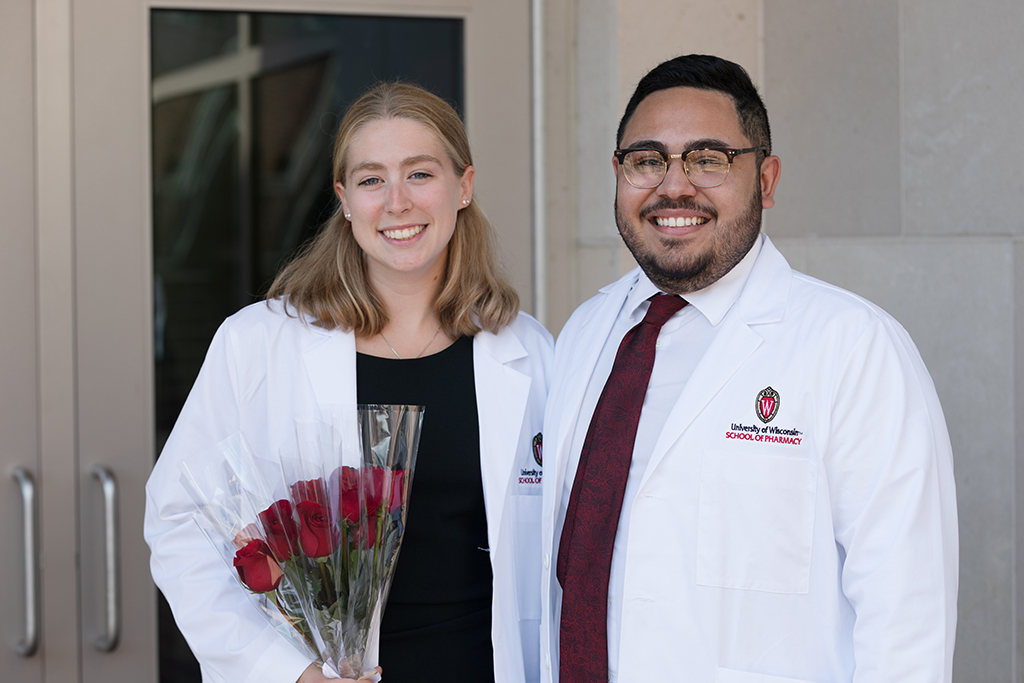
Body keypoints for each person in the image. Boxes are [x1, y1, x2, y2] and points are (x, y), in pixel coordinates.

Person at [539, 54, 958, 683]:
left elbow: (907, 614)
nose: (672, 187)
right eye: (646, 160)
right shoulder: (585, 333)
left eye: (709, 158)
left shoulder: (854, 347)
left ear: (766, 179)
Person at [145, 82, 552, 683]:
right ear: (343, 198)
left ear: (463, 186)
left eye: (419, 174)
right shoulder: (258, 342)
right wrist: (282, 670)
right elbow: (179, 519)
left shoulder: (528, 350)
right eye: (370, 180)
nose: (396, 203)